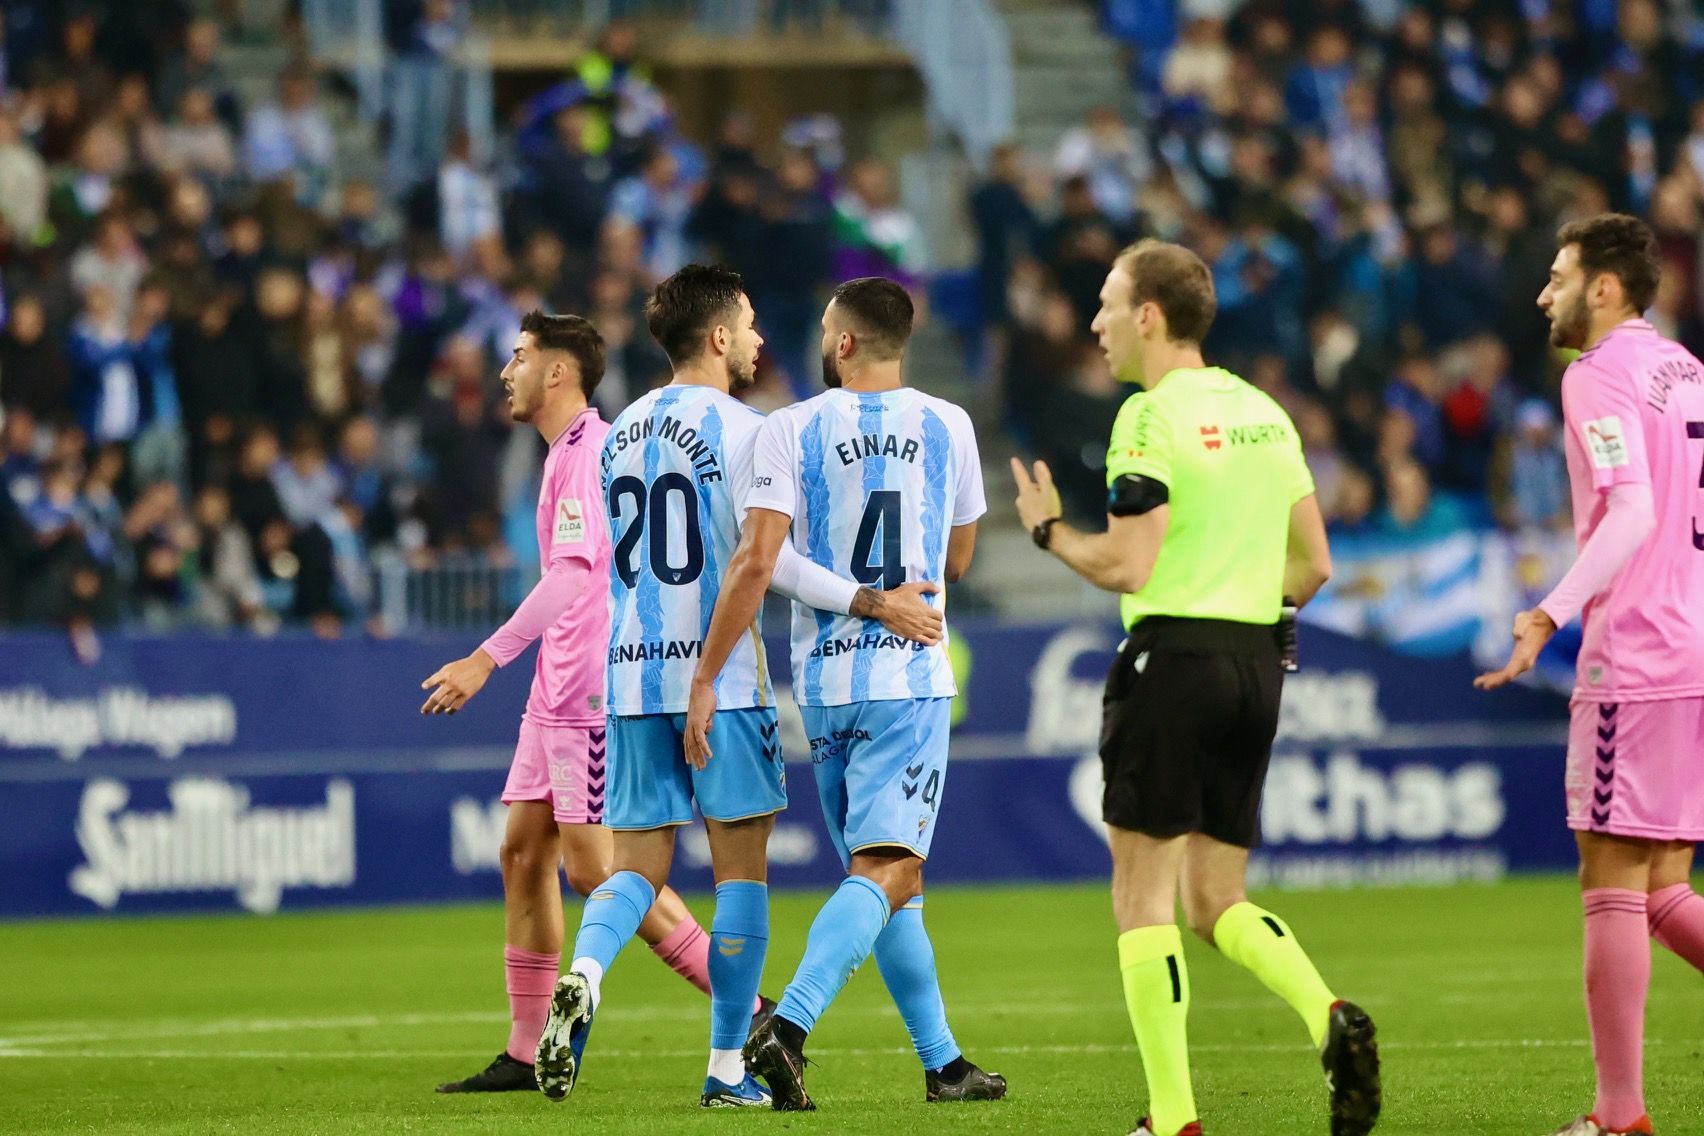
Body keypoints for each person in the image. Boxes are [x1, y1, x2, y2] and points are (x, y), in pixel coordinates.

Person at [533, 266, 944, 1107]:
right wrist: (867, 599)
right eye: (750, 324)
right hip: (722, 686)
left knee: (637, 866)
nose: (759, 340)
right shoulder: (752, 431)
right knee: (739, 880)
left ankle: (583, 973)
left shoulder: (621, 432)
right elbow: (768, 564)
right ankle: (726, 1069)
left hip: (632, 675)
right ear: (718, 337)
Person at [1010, 239, 1380, 1136]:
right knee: (1217, 900)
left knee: (1143, 898)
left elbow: (1129, 562)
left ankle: (1173, 1118)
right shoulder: (1266, 414)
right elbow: (1317, 565)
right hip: (1256, 665)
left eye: (1106, 303)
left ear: (1149, 315)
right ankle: (1328, 1013)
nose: (1094, 322)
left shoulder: (1149, 416)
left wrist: (1050, 531)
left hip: (1172, 663)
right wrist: (1249, 602)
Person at [686, 277, 1007, 1111]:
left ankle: (943, 1064)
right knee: (892, 868)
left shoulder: (787, 428)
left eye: (825, 329)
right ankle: (786, 1027)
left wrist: (853, 597)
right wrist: (890, 593)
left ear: (845, 344)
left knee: (891, 881)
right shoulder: (951, 425)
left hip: (825, 684)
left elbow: (770, 560)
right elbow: (959, 562)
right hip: (907, 679)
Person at [421, 311, 733, 1094]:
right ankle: (526, 1054)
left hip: (589, 689)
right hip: (553, 693)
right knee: (524, 855)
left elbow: (569, 575)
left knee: (600, 873)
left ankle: (750, 1008)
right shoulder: (562, 454)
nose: (506, 371)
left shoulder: (589, 451)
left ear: (559, 372)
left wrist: (484, 659)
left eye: (520, 357)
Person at [1476, 214, 1704, 1136]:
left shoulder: (1594, 377)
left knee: (1612, 882)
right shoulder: (1686, 369)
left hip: (1639, 651)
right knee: (1664, 891)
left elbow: (1632, 513)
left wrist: (1547, 612)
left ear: (1603, 289)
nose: (1544, 294)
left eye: (1558, 276)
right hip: (1694, 646)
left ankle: (1618, 1119)